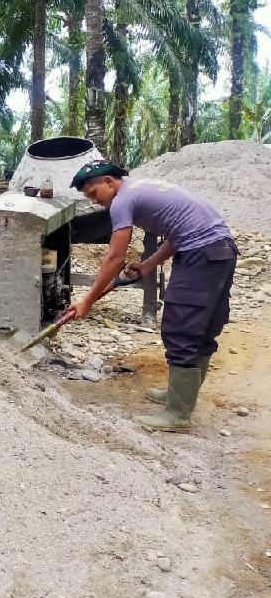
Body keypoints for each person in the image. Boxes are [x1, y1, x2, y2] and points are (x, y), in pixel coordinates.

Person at [69, 160, 237, 432]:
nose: (93, 201)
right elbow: (177, 234)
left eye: (93, 193)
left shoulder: (123, 200)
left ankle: (178, 414)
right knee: (202, 329)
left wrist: (87, 300)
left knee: (180, 327)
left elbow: (115, 257)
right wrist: (148, 265)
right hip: (220, 250)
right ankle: (180, 396)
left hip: (201, 254)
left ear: (110, 182)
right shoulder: (141, 188)